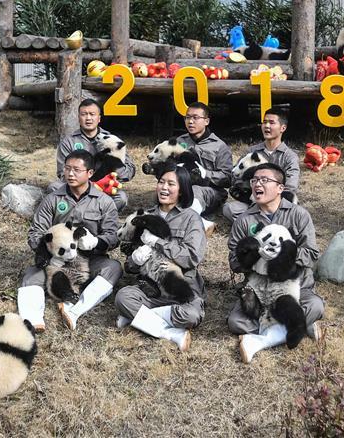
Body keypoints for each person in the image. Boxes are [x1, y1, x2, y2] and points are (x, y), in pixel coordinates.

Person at [227, 163, 324, 363]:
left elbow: (311, 254)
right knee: (235, 322)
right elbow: (234, 263)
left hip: (295, 288)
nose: (257, 184)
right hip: (260, 291)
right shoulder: (243, 221)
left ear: (280, 188)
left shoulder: (299, 214)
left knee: (315, 306)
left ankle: (264, 338)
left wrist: (283, 255)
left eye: (264, 180)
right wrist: (254, 256)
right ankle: (296, 325)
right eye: (254, 180)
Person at [18, 150, 121, 332]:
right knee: (31, 276)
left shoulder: (104, 202)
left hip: (89, 261)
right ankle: (32, 321)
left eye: (76, 170)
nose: (70, 174)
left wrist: (96, 242)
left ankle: (74, 310)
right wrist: (49, 252)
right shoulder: (52, 199)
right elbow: (35, 233)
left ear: (90, 173)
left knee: (113, 268)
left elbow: (113, 236)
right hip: (56, 262)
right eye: (67, 169)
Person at [114, 164, 207, 352]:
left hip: (181, 287)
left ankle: (140, 318)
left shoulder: (191, 219)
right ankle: (171, 333)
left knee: (190, 316)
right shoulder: (144, 216)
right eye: (161, 182)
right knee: (123, 298)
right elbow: (130, 265)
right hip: (150, 288)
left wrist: (158, 242)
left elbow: (192, 257)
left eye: (171, 184)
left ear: (182, 190)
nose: (164, 188)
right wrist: (134, 260)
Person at [52, 99, 136, 211]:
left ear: (99, 118)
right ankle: (85, 213)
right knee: (54, 187)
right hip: (77, 190)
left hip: (104, 189)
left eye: (92, 114)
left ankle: (93, 216)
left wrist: (115, 164)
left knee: (121, 197)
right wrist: (86, 185)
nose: (88, 118)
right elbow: (62, 173)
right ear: (78, 117)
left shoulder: (111, 139)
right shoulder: (69, 142)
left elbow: (130, 171)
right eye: (84, 114)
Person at [222, 106, 301, 223]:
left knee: (290, 209)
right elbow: (235, 177)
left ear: (283, 128)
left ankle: (255, 225)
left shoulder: (289, 156)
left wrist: (268, 196)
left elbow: (290, 186)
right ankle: (262, 225)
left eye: (272, 123)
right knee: (229, 209)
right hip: (253, 201)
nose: (267, 126)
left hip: (277, 204)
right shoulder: (251, 152)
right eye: (264, 122)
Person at [175, 102, 233, 236]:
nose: (190, 121)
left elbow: (228, 178)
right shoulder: (179, 141)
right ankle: (204, 223)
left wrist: (205, 173)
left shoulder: (219, 146)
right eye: (187, 117)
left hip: (211, 191)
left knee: (195, 191)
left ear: (206, 121)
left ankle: (190, 228)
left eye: (195, 118)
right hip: (183, 186)